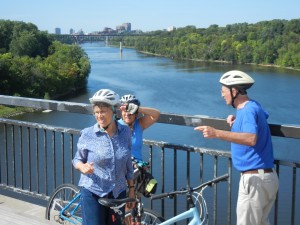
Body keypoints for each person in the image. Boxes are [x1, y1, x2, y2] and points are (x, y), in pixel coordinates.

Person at [194, 70, 279, 225]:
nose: (221, 95)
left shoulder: (247, 111)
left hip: (254, 181)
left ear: (234, 91)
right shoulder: (252, 107)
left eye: (223, 91)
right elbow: (260, 119)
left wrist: (216, 133)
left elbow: (251, 138)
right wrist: (236, 120)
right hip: (266, 177)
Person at [72, 89, 135, 225]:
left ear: (113, 111)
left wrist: (131, 190)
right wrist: (82, 167)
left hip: (118, 193)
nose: (99, 116)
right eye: (97, 112)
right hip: (93, 192)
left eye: (103, 111)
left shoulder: (125, 132)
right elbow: (77, 159)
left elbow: (128, 163)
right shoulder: (88, 134)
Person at [119, 94, 160, 161]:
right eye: (125, 110)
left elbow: (156, 114)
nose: (127, 114)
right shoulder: (116, 125)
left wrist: (137, 108)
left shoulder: (139, 124)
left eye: (130, 110)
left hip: (137, 168)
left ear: (136, 113)